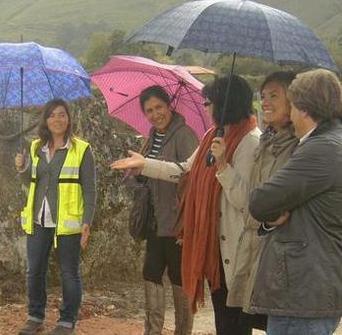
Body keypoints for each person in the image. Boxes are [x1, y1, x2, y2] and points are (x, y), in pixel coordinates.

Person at [111, 75, 262, 334]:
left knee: (236, 321)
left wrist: (223, 165)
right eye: (149, 110)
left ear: (225, 103)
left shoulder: (251, 142)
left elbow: (247, 202)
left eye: (209, 102)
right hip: (212, 242)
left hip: (235, 247)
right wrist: (144, 164)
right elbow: (184, 170)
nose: (206, 107)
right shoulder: (212, 135)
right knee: (223, 317)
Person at [247, 69, 342, 335]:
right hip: (313, 285)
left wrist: (270, 213)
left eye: (293, 105)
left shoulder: (321, 149)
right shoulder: (338, 141)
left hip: (303, 291)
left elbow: (260, 201)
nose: (289, 115)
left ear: (303, 109)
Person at [210, 71, 299, 332]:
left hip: (268, 249)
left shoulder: (264, 143)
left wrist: (224, 167)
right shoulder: (267, 142)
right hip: (253, 247)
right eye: (263, 96)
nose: (266, 102)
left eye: (274, 95)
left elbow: (250, 201)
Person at [15, 99, 97, 335]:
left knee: (69, 272)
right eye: (51, 115)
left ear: (68, 119)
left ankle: (67, 320)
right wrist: (22, 168)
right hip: (38, 219)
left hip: (67, 223)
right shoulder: (35, 148)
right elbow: (31, 183)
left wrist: (87, 222)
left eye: (62, 115)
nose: (57, 119)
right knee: (34, 270)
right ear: (45, 120)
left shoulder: (81, 149)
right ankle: (35, 316)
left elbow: (90, 189)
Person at [134, 86, 199, 335]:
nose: (154, 114)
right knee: (151, 274)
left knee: (179, 279)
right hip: (154, 221)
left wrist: (150, 166)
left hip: (177, 222)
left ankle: (182, 331)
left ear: (169, 106)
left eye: (159, 107)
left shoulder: (184, 135)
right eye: (149, 110)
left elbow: (188, 174)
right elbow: (146, 176)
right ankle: (153, 331)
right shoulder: (150, 137)